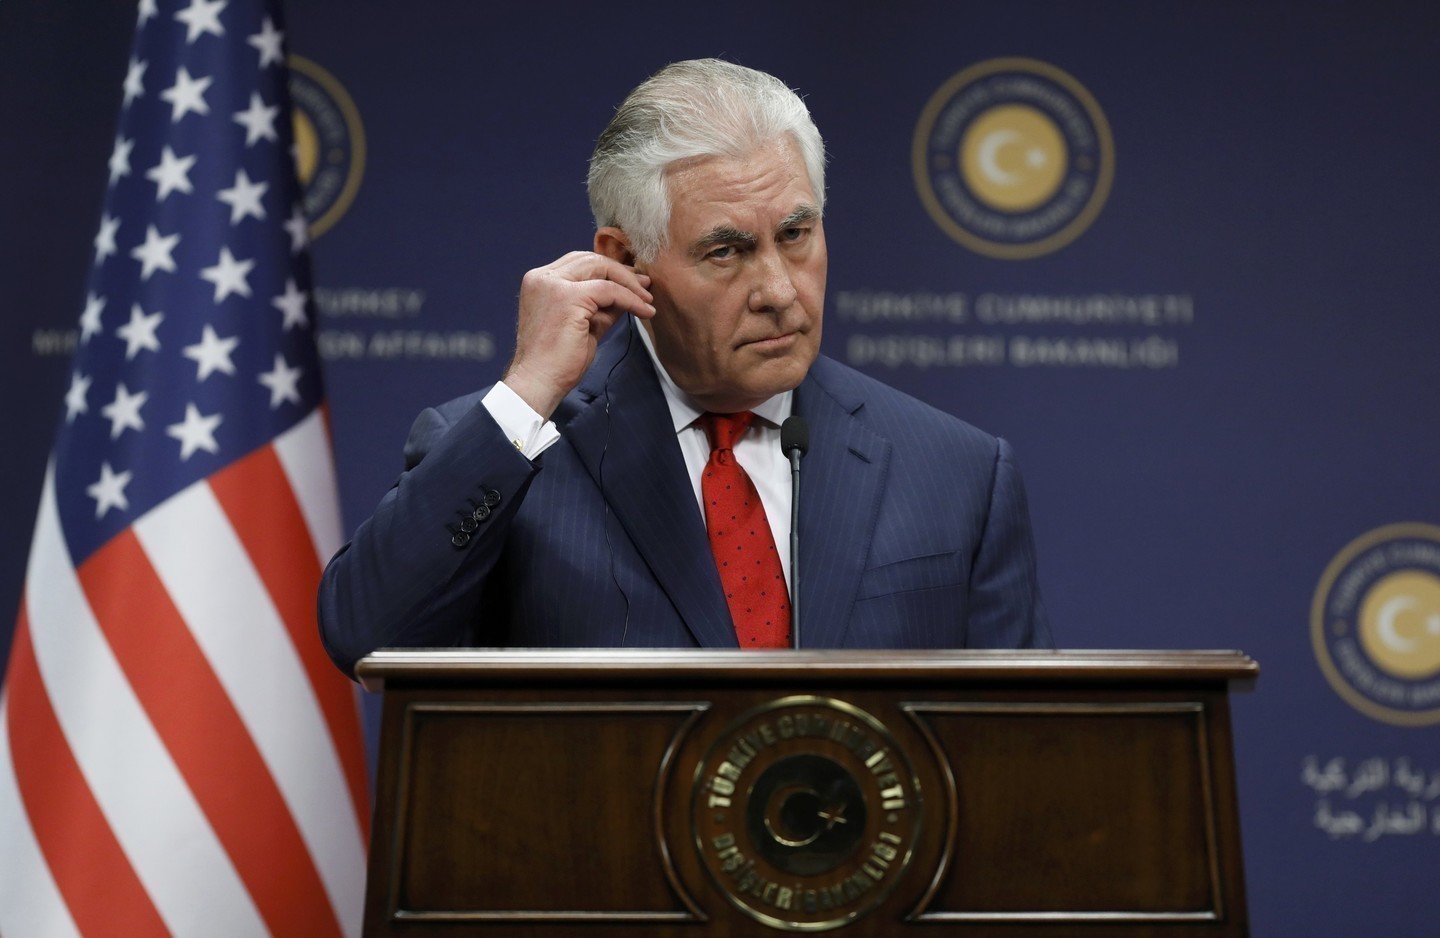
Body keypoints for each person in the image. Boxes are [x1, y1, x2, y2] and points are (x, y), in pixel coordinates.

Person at [318, 59, 1050, 677]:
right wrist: (529, 391)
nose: (779, 290)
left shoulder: (958, 472)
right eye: (726, 251)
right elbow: (367, 640)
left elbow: (1021, 748)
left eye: (796, 234)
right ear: (624, 259)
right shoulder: (512, 453)